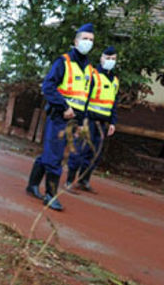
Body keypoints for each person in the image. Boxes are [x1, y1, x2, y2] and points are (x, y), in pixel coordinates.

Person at [25, 23, 98, 211]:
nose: (88, 42)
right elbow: (48, 87)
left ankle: (32, 185)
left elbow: (85, 99)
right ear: (76, 41)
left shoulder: (90, 70)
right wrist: (63, 106)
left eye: (91, 40)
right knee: (55, 156)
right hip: (59, 116)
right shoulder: (63, 62)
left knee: (51, 153)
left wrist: (81, 123)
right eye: (85, 39)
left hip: (75, 120)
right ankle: (50, 196)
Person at [66, 46, 119, 192]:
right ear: (101, 58)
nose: (110, 61)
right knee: (79, 150)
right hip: (88, 120)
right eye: (108, 58)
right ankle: (70, 180)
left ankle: (84, 180)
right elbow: (84, 97)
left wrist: (113, 122)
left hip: (102, 123)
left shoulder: (115, 81)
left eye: (113, 59)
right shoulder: (93, 76)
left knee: (95, 154)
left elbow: (114, 103)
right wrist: (81, 120)